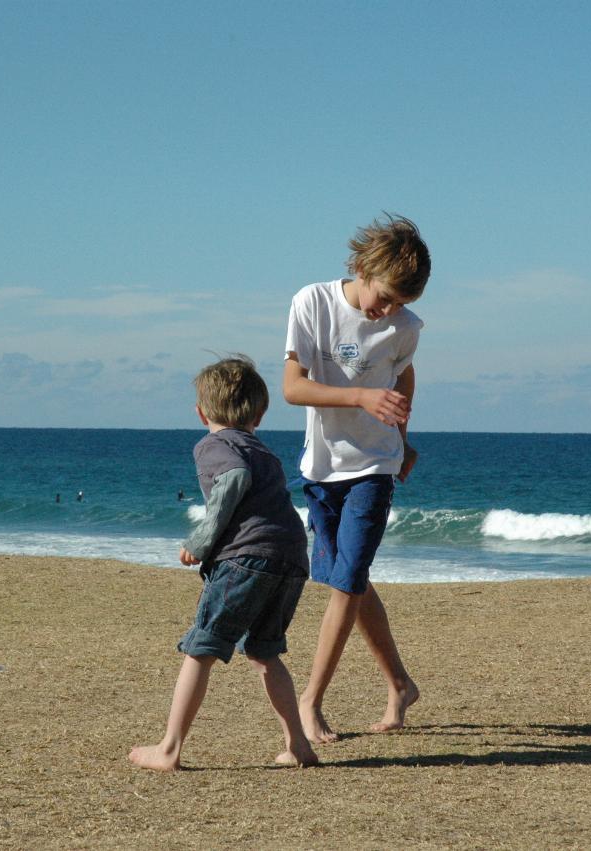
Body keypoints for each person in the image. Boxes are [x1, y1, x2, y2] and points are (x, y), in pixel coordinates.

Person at [129, 356, 319, 771]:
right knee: (265, 652)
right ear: (261, 413)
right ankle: (299, 746)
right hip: (290, 557)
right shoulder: (263, 452)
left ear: (201, 412)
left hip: (247, 558)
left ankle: (169, 749)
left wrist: (200, 541)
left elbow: (232, 481)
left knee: (201, 648)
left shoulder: (215, 445)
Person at [283, 213, 429, 743]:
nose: (388, 312)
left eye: (400, 305)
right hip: (322, 468)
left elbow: (402, 376)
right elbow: (294, 389)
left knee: (345, 584)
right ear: (363, 266)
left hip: (375, 466)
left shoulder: (405, 328)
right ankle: (400, 684)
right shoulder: (311, 303)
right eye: (385, 298)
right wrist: (362, 396)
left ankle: (309, 702)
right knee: (351, 579)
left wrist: (403, 439)